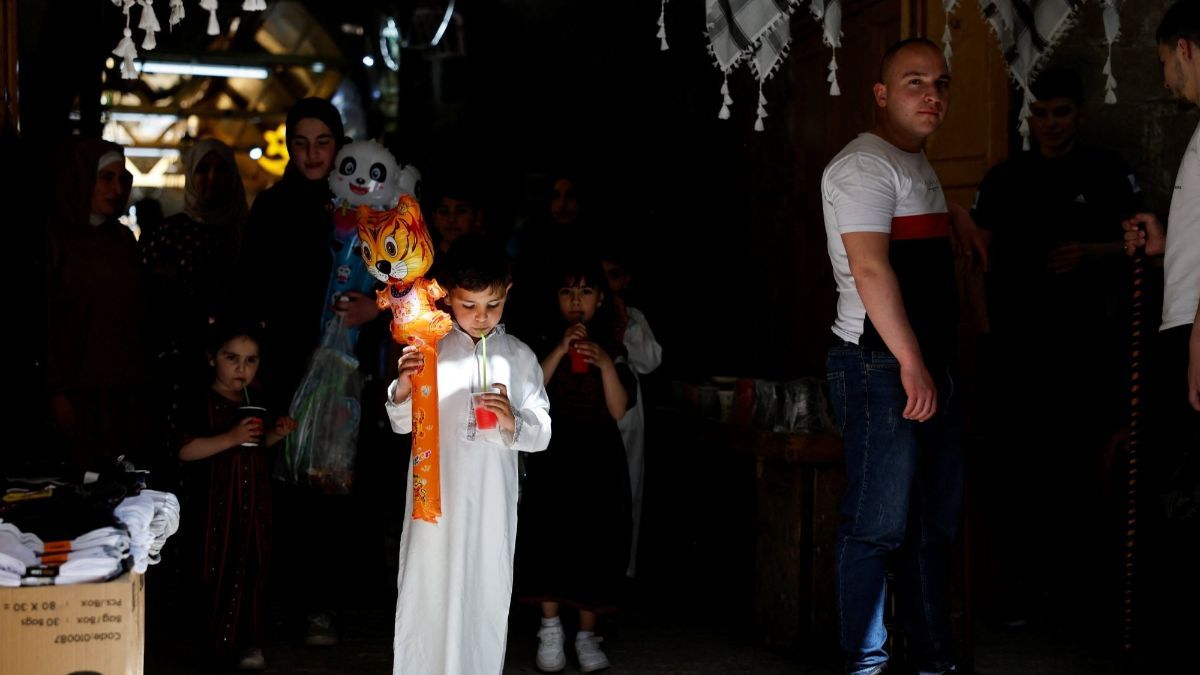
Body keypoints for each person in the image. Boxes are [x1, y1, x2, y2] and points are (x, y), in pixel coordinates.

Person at [820, 37, 984, 675]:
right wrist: (912, 364)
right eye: (914, 82)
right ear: (882, 95)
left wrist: (958, 218)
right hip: (880, 365)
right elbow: (869, 266)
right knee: (877, 526)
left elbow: (910, 227)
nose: (932, 95)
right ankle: (866, 666)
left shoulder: (914, 163)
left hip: (922, 364)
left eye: (940, 83)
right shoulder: (863, 165)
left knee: (930, 525)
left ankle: (931, 659)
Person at [971, 68, 1140, 626]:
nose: (1050, 125)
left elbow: (1145, 242)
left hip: (1086, 344)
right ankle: (1021, 592)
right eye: (1040, 113)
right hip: (1017, 345)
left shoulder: (1107, 171)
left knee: (1080, 467)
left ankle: (1079, 597)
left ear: (1081, 114)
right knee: (1018, 468)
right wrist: (984, 326)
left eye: (1061, 112)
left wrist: (1093, 252)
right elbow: (978, 251)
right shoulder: (1005, 178)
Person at [385, 238, 551, 674]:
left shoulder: (519, 358)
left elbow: (543, 432)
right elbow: (403, 423)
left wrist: (513, 421)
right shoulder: (429, 349)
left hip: (491, 508)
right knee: (427, 592)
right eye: (468, 305)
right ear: (447, 297)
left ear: (508, 293)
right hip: (433, 507)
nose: (480, 318)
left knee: (483, 593)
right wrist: (403, 387)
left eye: (492, 306)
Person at [1121, 1, 1200, 668]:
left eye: (1166, 64)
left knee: (1185, 494)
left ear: (1188, 48)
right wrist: (1167, 246)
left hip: (1196, 339)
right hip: (1186, 327)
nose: (1168, 79)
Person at [515, 256, 635, 674]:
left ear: (600, 299)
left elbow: (619, 409)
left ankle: (586, 634)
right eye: (568, 291)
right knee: (548, 535)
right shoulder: (544, 339)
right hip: (553, 455)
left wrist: (602, 363)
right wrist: (561, 348)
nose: (576, 301)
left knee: (595, 541)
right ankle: (550, 630)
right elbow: (529, 392)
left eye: (585, 291)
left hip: (599, 460)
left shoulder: (615, 347)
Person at [177, 318, 297, 672]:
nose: (241, 368)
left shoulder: (256, 400)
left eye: (251, 360)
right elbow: (185, 450)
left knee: (255, 569)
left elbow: (259, 447)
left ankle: (251, 643)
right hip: (214, 508)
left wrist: (277, 433)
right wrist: (230, 437)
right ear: (212, 358)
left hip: (255, 506)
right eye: (232, 358)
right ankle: (214, 645)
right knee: (214, 570)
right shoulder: (200, 401)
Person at [46, 138, 151, 469]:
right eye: (106, 177)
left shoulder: (121, 239)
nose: (116, 188)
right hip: (74, 389)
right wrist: (55, 391)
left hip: (121, 389)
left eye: (122, 179)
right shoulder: (53, 239)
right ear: (82, 179)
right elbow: (42, 319)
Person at [599, 248, 662, 578]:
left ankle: (624, 572)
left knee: (629, 487)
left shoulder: (633, 316)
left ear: (626, 280)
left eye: (615, 275)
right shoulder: (584, 313)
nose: (609, 284)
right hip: (590, 408)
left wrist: (625, 324)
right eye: (602, 275)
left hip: (628, 411)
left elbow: (650, 361)